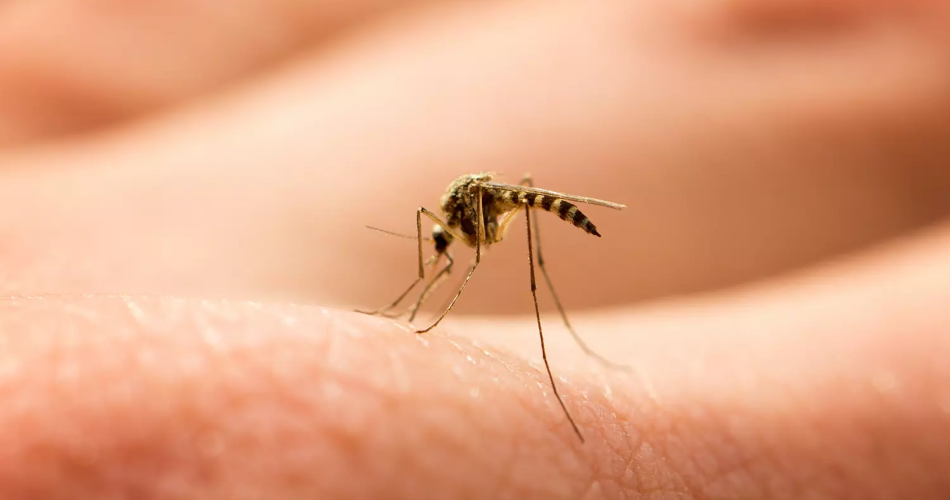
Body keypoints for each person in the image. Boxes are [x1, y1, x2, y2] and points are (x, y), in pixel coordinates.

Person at [0, 0, 948, 497]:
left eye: (444, 245)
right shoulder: (450, 215)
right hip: (488, 188)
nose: (444, 246)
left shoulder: (475, 211)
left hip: (513, 195)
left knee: (525, 235)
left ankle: (549, 334)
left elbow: (496, 207)